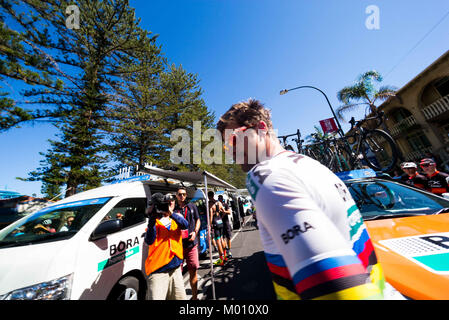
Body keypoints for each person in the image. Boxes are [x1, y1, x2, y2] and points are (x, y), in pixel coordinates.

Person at [216, 98, 386, 300]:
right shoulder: (310, 165)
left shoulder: (266, 175)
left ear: (261, 129)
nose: (230, 151)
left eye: (233, 140)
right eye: (226, 146)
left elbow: (338, 288)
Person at [144, 193, 188, 300]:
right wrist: (152, 220)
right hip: (158, 271)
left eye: (167, 203)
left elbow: (185, 225)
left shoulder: (176, 217)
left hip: (176, 269)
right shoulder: (154, 221)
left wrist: (171, 213)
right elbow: (149, 240)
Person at [174, 187, 201, 300]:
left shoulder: (192, 206)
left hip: (191, 245)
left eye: (184, 194)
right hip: (178, 246)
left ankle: (194, 297)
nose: (182, 196)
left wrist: (195, 232)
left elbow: (198, 220)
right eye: (180, 194)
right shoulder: (173, 209)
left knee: (193, 271)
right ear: (176, 195)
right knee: (177, 275)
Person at [208, 191, 226, 266]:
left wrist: (209, 225)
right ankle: (225, 256)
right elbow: (224, 211)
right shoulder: (219, 202)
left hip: (215, 223)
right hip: (220, 221)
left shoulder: (210, 204)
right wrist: (221, 217)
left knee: (218, 240)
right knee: (222, 239)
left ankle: (221, 260)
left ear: (209, 196)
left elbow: (211, 216)